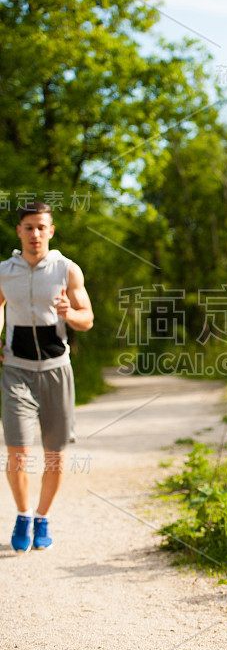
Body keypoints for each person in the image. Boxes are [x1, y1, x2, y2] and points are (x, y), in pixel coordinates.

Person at [0, 201, 94, 552]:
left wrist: (71, 314)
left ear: (51, 231)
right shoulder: (4, 271)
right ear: (19, 231)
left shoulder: (67, 270)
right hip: (16, 370)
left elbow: (87, 319)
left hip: (56, 371)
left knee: (54, 454)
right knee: (18, 452)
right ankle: (23, 514)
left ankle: (42, 517)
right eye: (29, 227)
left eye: (42, 227)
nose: (35, 234)